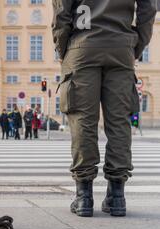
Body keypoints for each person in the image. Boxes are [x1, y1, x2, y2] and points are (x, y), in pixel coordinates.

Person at [53, 0, 157, 217]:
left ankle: (84, 197)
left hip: (82, 46)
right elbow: (148, 9)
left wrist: (63, 50)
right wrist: (135, 47)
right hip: (121, 46)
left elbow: (61, 12)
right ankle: (117, 197)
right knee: (119, 122)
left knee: (83, 120)